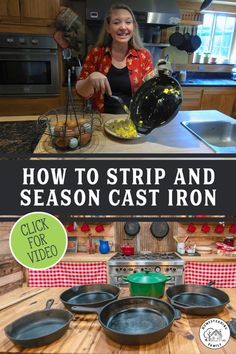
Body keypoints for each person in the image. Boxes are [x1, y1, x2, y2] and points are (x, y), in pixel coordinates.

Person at [75, 3, 155, 114]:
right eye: (116, 22)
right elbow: (80, 92)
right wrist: (90, 79)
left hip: (133, 121)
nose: (123, 27)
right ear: (108, 28)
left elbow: (151, 91)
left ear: (133, 26)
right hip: (101, 120)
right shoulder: (96, 53)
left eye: (128, 22)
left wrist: (160, 79)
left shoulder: (144, 55)